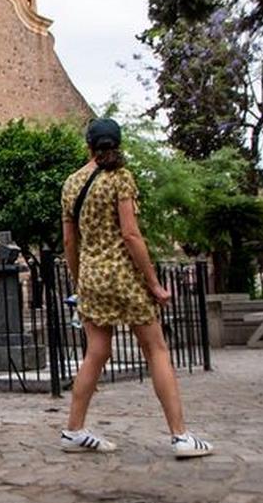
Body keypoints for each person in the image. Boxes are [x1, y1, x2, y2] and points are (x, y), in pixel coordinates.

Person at [60, 118, 213, 458]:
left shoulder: (71, 184)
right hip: (123, 276)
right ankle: (180, 435)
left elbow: (70, 239)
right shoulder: (120, 177)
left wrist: (79, 278)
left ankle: (73, 429)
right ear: (117, 143)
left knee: (96, 351)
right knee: (155, 349)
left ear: (88, 144)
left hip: (92, 277)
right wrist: (154, 283)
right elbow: (130, 234)